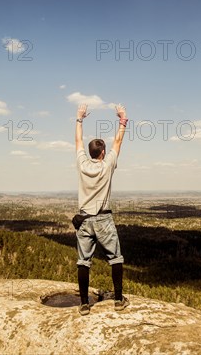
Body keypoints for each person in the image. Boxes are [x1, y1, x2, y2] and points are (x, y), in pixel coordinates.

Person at [74, 103, 129, 315]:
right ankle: (118, 300)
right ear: (103, 152)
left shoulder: (82, 164)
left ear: (89, 152)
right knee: (115, 258)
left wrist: (79, 118)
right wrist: (122, 119)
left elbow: (78, 140)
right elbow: (118, 140)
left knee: (83, 262)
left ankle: (84, 304)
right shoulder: (107, 165)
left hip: (84, 220)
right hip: (104, 219)